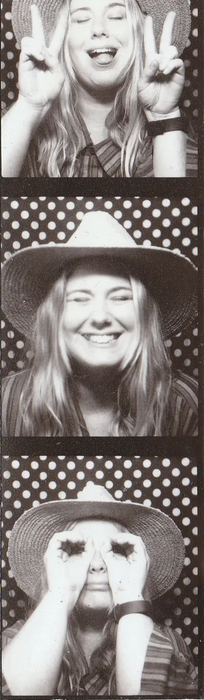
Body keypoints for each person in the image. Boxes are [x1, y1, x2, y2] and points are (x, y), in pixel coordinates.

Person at [2, 210, 198, 437]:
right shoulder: (7, 402)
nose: (100, 316)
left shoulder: (188, 405)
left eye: (121, 297)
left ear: (145, 316)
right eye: (80, 298)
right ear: (54, 317)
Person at [2, 0, 197, 178]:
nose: (99, 28)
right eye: (82, 19)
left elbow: (176, 210)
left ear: (140, 37)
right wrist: (30, 106)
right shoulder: (14, 125)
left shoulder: (175, 135)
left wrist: (164, 119)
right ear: (61, 40)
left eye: (116, 16)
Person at [2, 481, 198, 696]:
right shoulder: (15, 640)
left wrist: (129, 594)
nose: (97, 564)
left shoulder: (168, 645)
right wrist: (60, 592)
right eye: (77, 550)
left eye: (116, 549)